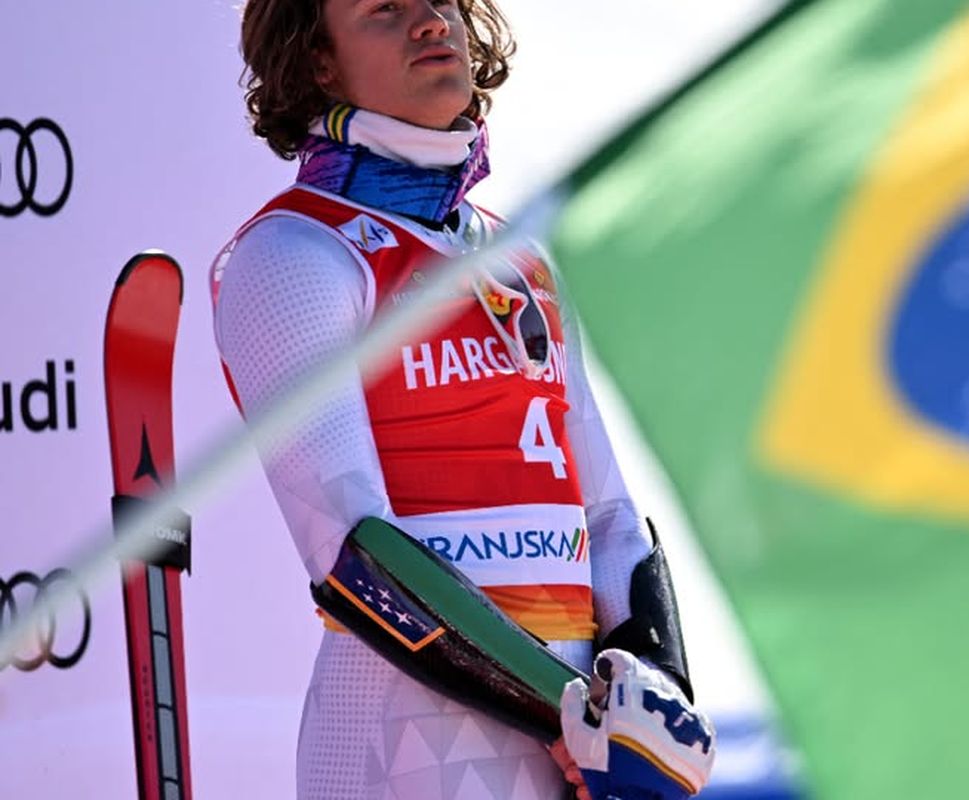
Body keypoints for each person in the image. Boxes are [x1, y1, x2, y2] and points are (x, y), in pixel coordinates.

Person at [211, 2, 714, 798]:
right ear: (318, 61)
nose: (428, 21)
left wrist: (655, 707)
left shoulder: (522, 258)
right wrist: (577, 717)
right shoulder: (293, 253)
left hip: (575, 745)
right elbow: (355, 555)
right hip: (407, 742)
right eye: (384, 8)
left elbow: (611, 520)